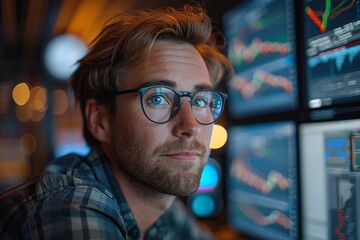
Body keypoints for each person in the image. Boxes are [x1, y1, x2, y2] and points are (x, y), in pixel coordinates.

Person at [0, 4, 232, 239]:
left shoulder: (159, 205)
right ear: (100, 120)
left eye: (201, 101)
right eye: (158, 98)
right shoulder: (70, 206)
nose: (191, 126)